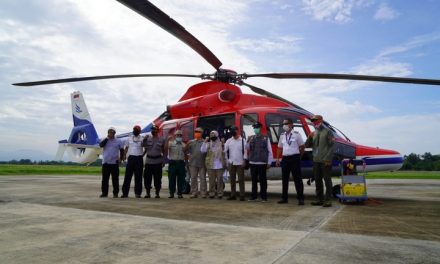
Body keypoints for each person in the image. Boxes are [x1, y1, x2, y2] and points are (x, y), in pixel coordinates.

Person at [305, 115, 334, 207]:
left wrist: (328, 159)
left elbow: (332, 146)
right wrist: (309, 137)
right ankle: (319, 199)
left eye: (316, 120)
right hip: (316, 160)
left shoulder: (328, 132)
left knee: (327, 180)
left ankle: (328, 200)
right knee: (317, 180)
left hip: (325, 160)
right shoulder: (314, 133)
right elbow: (307, 145)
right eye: (313, 121)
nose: (314, 122)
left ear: (321, 120)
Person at [275, 118, 305, 205]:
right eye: (283, 124)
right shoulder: (282, 135)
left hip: (294, 158)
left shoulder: (296, 134)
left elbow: (302, 146)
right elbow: (279, 148)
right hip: (285, 159)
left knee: (297, 179)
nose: (284, 125)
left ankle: (300, 198)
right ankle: (284, 198)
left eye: (286, 123)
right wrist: (277, 158)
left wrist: (299, 157)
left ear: (291, 124)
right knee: (284, 179)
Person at [246, 122, 273, 202]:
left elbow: (270, 151)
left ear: (260, 128)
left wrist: (269, 162)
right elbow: (247, 148)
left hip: (262, 163)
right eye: (254, 128)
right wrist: (248, 141)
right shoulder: (252, 138)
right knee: (254, 181)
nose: (255, 129)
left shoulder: (265, 138)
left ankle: (263, 197)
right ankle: (253, 196)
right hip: (253, 162)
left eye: (257, 127)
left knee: (263, 180)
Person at [99, 127, 124, 198]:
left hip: (114, 163)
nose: (111, 134)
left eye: (112, 132)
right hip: (106, 163)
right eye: (109, 132)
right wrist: (107, 138)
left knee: (115, 179)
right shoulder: (104, 140)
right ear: (108, 133)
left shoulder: (119, 141)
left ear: (114, 133)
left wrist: (121, 159)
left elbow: (122, 150)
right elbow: (101, 145)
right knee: (105, 179)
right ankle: (104, 193)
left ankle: (115, 193)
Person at [142, 124, 166, 198]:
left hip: (158, 162)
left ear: (157, 131)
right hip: (149, 161)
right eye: (152, 129)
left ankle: (157, 193)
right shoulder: (148, 138)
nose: (153, 131)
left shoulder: (162, 139)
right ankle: (148, 193)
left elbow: (163, 150)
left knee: (158, 179)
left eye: (154, 129)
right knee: (147, 178)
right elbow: (143, 146)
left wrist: (164, 161)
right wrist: (144, 140)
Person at [121, 125, 144, 198]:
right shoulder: (129, 138)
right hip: (131, 158)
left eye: (136, 130)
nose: (135, 131)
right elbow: (126, 148)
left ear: (139, 131)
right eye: (134, 129)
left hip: (139, 158)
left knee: (138, 177)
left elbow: (146, 147)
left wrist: (142, 155)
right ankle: (125, 193)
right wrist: (124, 156)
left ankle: (138, 193)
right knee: (127, 176)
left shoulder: (142, 138)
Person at [201, 130, 225, 199]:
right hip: (210, 165)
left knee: (220, 180)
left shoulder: (221, 143)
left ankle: (220, 193)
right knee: (211, 180)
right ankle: (212, 193)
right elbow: (202, 150)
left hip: (220, 165)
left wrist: (223, 144)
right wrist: (205, 141)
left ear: (217, 135)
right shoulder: (208, 144)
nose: (212, 136)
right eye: (211, 135)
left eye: (214, 135)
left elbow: (224, 152)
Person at [224, 126, 246, 201]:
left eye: (234, 130)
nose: (233, 132)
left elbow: (245, 152)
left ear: (237, 131)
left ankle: (242, 195)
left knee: (241, 180)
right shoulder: (229, 141)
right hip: (231, 162)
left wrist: (244, 160)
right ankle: (233, 195)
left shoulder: (243, 140)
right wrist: (227, 161)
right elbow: (224, 151)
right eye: (231, 131)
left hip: (240, 163)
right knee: (232, 180)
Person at [184, 127, 207, 198]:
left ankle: (203, 193)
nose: (197, 133)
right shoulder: (190, 142)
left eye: (199, 132)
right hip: (192, 163)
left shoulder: (205, 142)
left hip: (202, 163)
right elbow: (185, 150)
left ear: (202, 133)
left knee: (203, 178)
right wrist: (186, 160)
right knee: (193, 178)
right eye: (196, 131)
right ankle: (194, 192)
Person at [166, 130, 186, 198]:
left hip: (181, 163)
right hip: (173, 163)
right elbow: (165, 148)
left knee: (181, 179)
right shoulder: (170, 143)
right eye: (177, 135)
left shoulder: (184, 145)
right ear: (175, 136)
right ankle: (171, 193)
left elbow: (185, 154)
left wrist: (186, 163)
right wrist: (167, 140)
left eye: (180, 135)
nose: (179, 136)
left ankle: (180, 193)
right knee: (171, 179)